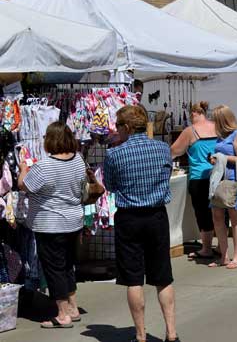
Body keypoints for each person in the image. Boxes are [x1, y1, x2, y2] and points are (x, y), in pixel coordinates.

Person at [17, 122, 103, 329]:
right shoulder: (78, 160)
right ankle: (72, 308)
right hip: (73, 221)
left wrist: (22, 170)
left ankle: (62, 314)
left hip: (50, 224)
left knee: (54, 268)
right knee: (66, 265)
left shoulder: (44, 166)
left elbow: (23, 185)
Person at [103, 106, 178, 342]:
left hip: (129, 218)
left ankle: (141, 335)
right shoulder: (163, 149)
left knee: (133, 278)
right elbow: (165, 178)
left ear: (126, 128)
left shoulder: (115, 154)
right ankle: (172, 333)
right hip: (156, 215)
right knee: (163, 275)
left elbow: (111, 186)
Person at [170, 101, 217, 260]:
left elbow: (174, 151)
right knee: (217, 212)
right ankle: (221, 246)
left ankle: (206, 248)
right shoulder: (216, 126)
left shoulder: (190, 131)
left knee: (202, 213)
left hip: (199, 177)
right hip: (217, 175)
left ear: (193, 114)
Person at [209, 105, 237, 269]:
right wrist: (215, 159)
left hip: (233, 179)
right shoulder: (220, 137)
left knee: (235, 218)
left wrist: (222, 157)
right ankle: (224, 255)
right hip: (219, 179)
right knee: (217, 217)